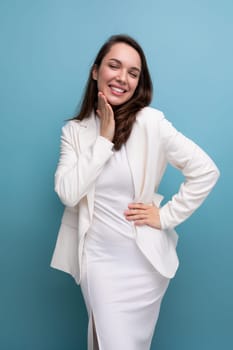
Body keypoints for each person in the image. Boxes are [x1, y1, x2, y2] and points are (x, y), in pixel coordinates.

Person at [51, 34, 220, 350]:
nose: (122, 78)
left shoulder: (151, 123)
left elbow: (206, 171)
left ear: (140, 81)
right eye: (114, 66)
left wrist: (166, 216)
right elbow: (67, 193)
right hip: (98, 260)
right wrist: (103, 139)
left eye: (133, 72)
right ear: (95, 70)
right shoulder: (73, 132)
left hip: (142, 264)